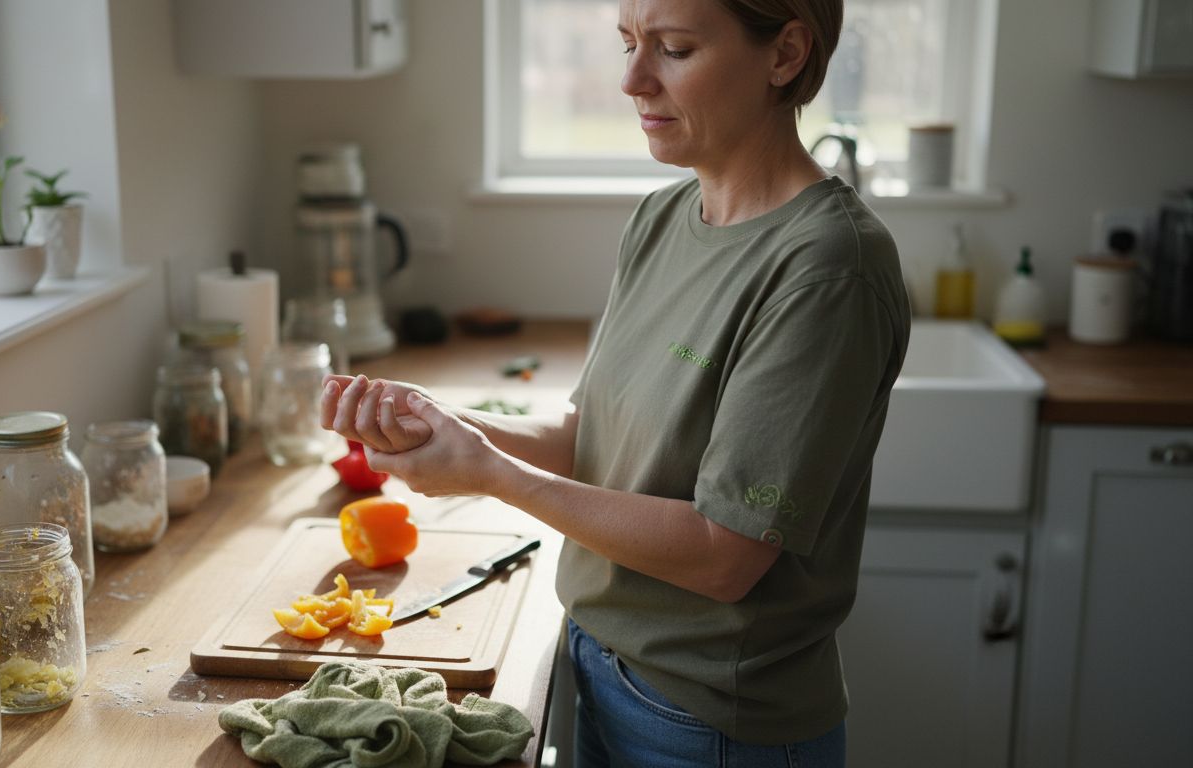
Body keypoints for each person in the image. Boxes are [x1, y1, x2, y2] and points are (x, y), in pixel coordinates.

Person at [321, 0, 910, 764]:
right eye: (629, 44)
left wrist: (489, 474)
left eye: (673, 49)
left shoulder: (827, 267)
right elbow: (587, 440)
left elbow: (724, 556)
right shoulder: (663, 218)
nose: (632, 80)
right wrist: (441, 421)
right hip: (598, 666)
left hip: (710, 721)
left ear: (785, 53)